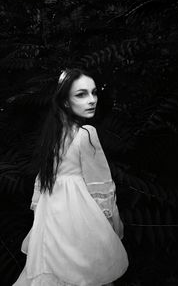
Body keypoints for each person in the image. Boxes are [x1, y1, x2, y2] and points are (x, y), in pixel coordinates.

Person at [13, 68, 129, 286]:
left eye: (94, 93)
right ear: (65, 102)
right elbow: (101, 185)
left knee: (52, 269)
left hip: (51, 216)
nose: (92, 100)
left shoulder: (52, 137)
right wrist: (110, 222)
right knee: (79, 271)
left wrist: (39, 209)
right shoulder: (85, 134)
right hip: (76, 216)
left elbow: (41, 184)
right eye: (81, 94)